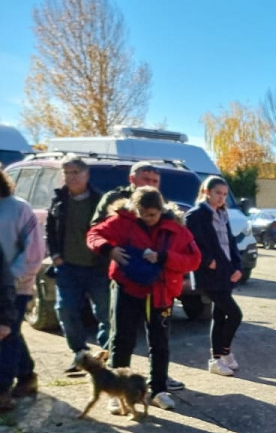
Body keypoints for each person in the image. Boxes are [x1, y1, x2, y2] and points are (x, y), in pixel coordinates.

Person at [86, 188, 201, 411]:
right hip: (128, 288)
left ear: (161, 210)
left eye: (152, 215)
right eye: (142, 213)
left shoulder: (175, 229)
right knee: (122, 339)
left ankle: (158, 390)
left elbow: (194, 260)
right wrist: (108, 249)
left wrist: (164, 257)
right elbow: (94, 235)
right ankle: (117, 392)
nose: (147, 219)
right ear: (134, 209)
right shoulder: (122, 221)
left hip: (160, 292)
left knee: (160, 343)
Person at [46, 158, 108, 373]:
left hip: (97, 268)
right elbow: (50, 229)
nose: (70, 177)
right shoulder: (60, 199)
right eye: (67, 172)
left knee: (105, 313)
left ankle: (105, 356)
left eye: (75, 172)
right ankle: (80, 354)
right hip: (68, 268)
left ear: (86, 175)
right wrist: (54, 254)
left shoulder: (100, 200)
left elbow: (110, 232)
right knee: (65, 309)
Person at [186, 177, 244, 378]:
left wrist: (238, 266)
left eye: (225, 194)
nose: (221, 197)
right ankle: (221, 355)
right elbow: (190, 243)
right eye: (218, 192)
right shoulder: (196, 215)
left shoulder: (222, 214)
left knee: (220, 315)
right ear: (206, 191)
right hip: (211, 273)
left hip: (226, 271)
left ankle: (219, 357)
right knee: (235, 314)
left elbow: (230, 243)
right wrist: (206, 261)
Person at [0, 168, 44, 406]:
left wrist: (12, 278)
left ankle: (2, 391)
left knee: (5, 336)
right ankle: (27, 376)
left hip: (15, 286)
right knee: (11, 334)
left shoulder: (19, 208)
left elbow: (34, 252)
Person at [92, 161, 161, 225]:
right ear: (132, 179)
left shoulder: (163, 205)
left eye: (155, 181)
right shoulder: (113, 198)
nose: (151, 184)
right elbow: (96, 227)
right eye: (146, 179)